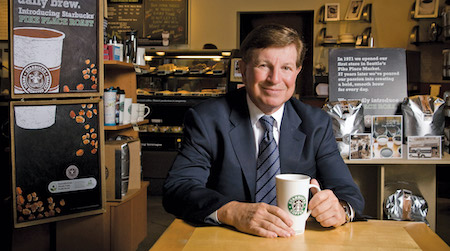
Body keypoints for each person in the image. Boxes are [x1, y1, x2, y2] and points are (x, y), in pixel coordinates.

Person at [163, 24, 364, 238]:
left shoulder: (316, 123)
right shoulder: (207, 119)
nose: (274, 79)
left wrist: (340, 209)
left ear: (297, 72)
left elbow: (349, 193)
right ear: (242, 69)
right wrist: (232, 212)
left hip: (296, 242)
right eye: (263, 66)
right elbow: (178, 189)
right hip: (227, 241)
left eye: (286, 68)